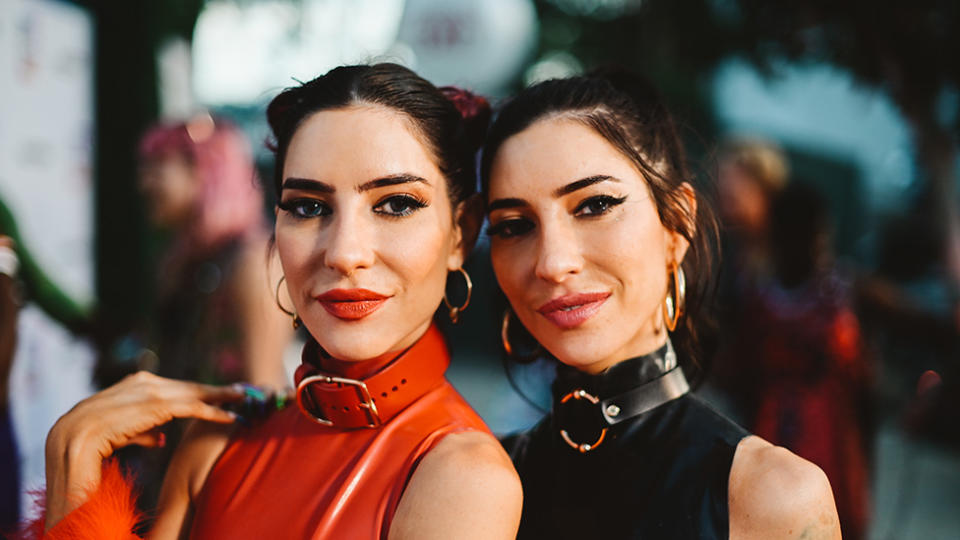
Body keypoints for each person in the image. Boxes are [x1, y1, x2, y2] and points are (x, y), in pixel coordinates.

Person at [28, 64, 521, 539]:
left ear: (462, 232)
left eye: (396, 203)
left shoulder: (460, 475)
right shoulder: (216, 446)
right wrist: (75, 460)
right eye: (308, 207)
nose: (344, 252)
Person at [482, 71, 841, 539]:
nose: (551, 263)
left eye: (594, 205)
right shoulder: (482, 486)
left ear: (678, 224)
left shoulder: (772, 495)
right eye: (513, 225)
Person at [136, 116, 291, 389]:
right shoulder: (182, 259)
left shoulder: (252, 261)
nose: (144, 183)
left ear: (206, 171)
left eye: (158, 166)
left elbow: (264, 387)